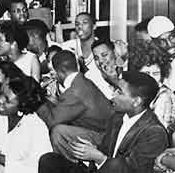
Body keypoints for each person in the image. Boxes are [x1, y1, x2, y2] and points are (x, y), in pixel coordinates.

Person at [39, 71, 169, 173]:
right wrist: (90, 150)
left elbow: (133, 170)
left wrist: (99, 158)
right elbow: (105, 149)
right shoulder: (118, 117)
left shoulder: (154, 132)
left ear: (136, 101)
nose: (114, 95)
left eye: (120, 92)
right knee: (49, 160)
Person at [36, 50, 114, 162]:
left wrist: (36, 101)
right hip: (103, 132)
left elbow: (52, 120)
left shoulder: (75, 91)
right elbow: (63, 108)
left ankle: (73, 168)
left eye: (53, 71)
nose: (53, 75)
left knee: (58, 132)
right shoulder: (82, 82)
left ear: (61, 71)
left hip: (105, 139)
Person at [0, 63, 52, 173]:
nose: (1, 101)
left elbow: (39, 168)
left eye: (7, 100)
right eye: (2, 95)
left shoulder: (36, 128)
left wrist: (2, 159)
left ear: (21, 107)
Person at [128, 41, 175, 129]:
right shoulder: (139, 93)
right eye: (147, 73)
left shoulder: (164, 97)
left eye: (156, 73)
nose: (151, 78)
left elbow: (157, 131)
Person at [147, 16, 175, 90]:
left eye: (172, 37)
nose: (169, 44)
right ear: (155, 44)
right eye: (162, 41)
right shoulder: (153, 64)